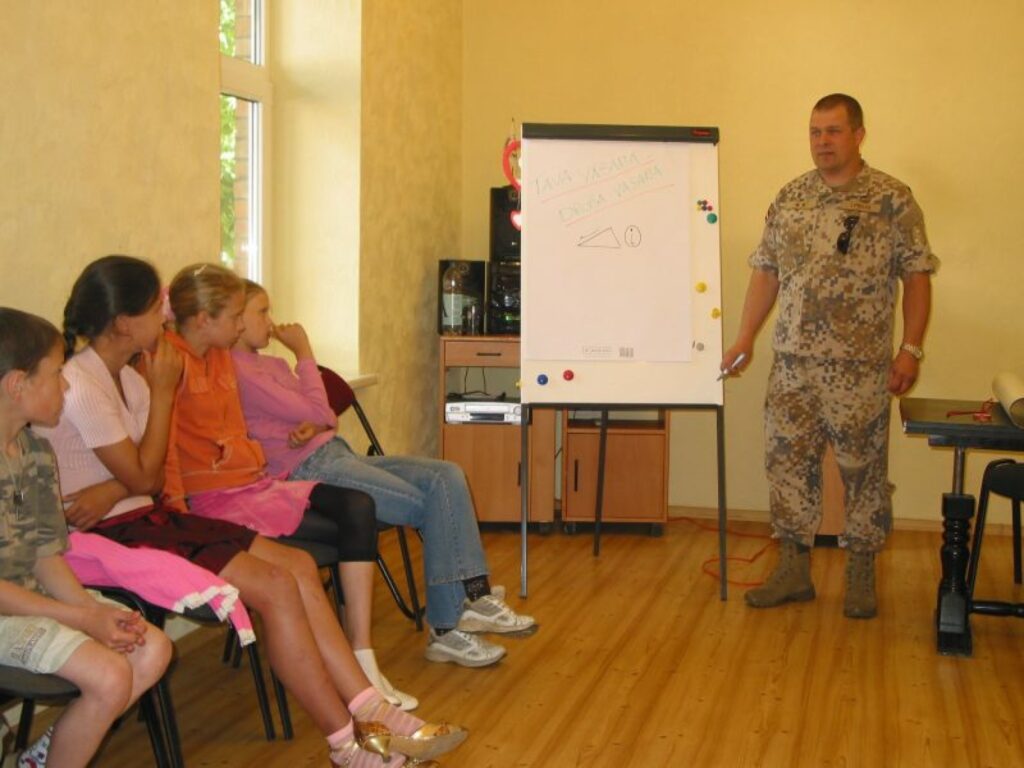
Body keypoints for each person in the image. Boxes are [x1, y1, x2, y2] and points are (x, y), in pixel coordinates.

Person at [39, 256, 464, 767]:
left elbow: (136, 477)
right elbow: (148, 476)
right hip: (120, 531)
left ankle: (373, 712)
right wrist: (161, 399)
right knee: (278, 586)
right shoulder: (88, 384)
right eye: (156, 310)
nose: (164, 320)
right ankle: (344, 742)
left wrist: (116, 485)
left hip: (139, 514)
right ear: (124, 323)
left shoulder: (128, 379)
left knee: (301, 566)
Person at [231, 280, 537, 667]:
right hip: (308, 471)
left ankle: (474, 596)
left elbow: (323, 418)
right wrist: (305, 354)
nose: (271, 321)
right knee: (431, 502)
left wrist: (317, 425)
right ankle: (449, 624)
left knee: (447, 474)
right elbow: (319, 409)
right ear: (236, 320)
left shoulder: (271, 364)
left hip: (336, 454)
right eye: (262, 312)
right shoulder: (239, 370)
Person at [161, 262, 420, 711]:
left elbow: (242, 427)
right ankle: (355, 673)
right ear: (204, 319)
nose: (243, 324)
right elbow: (166, 444)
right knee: (345, 527)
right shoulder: (169, 363)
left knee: (357, 507)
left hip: (255, 483)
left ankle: (360, 657)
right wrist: (175, 507)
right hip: (214, 502)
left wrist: (286, 435)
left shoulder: (222, 357)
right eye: (237, 315)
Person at [721, 93, 937, 619]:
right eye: (815, 131)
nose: (823, 142)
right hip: (792, 364)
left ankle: (861, 575)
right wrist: (746, 335)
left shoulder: (891, 199)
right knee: (787, 465)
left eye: (834, 131)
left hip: (860, 368)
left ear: (859, 134)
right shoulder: (791, 197)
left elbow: (916, 276)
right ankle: (794, 571)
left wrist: (909, 349)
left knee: (863, 470)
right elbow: (766, 271)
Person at [0, 307, 172, 768]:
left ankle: (42, 758)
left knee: (153, 648)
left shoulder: (34, 451)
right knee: (110, 673)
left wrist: (89, 609)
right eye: (56, 374)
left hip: (32, 599)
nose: (67, 385)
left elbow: (44, 552)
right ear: (18, 385)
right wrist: (79, 619)